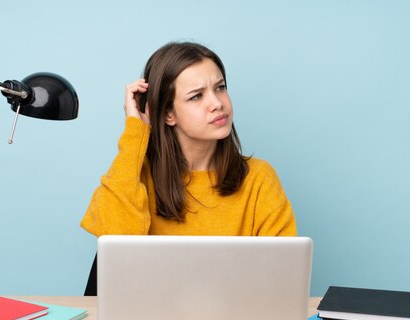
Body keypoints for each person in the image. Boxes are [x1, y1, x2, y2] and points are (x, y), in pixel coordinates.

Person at [81, 42, 296, 237]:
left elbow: (284, 271)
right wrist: (136, 131)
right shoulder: (136, 178)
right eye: (196, 96)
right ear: (168, 114)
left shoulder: (259, 178)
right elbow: (115, 243)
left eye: (220, 88)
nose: (216, 103)